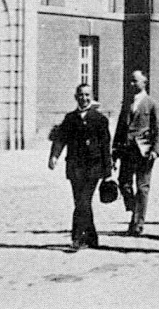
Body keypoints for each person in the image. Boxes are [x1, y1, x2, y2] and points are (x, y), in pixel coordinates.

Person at [48, 84, 113, 251]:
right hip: (75, 168)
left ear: (91, 97)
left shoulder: (100, 119)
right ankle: (92, 237)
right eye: (81, 95)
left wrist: (108, 173)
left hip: (94, 168)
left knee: (83, 202)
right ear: (76, 97)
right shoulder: (70, 118)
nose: (84, 98)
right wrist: (54, 156)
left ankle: (78, 238)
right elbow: (61, 138)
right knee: (81, 202)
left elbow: (105, 147)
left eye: (87, 95)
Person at [112, 70, 159, 237]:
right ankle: (135, 210)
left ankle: (138, 224)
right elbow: (120, 127)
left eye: (135, 81)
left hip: (144, 151)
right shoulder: (127, 103)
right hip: (127, 150)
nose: (131, 84)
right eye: (130, 81)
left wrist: (156, 150)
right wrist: (114, 150)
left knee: (142, 187)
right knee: (124, 183)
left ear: (144, 82)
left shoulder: (151, 104)